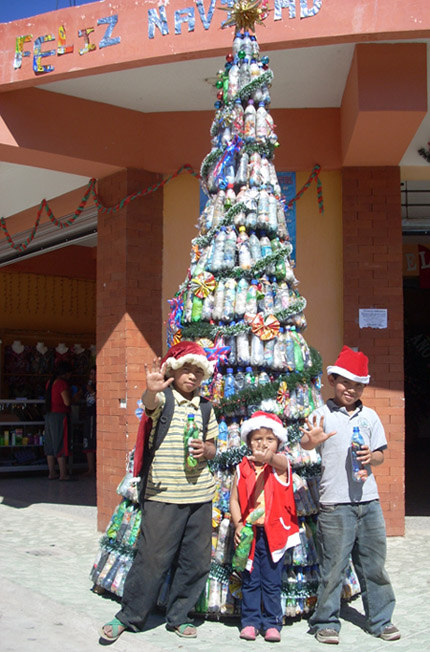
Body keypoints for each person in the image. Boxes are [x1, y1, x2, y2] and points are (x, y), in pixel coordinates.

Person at [99, 341, 218, 644]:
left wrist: (207, 449)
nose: (191, 377)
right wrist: (152, 389)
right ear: (174, 372)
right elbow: (149, 406)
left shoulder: (205, 408)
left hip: (199, 496)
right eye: (185, 370)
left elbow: (214, 447)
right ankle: (130, 615)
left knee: (196, 560)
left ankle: (179, 616)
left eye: (197, 373)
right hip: (163, 494)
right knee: (151, 558)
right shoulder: (164, 400)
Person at [300, 346, 400, 645]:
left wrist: (373, 457)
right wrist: (310, 440)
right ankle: (326, 622)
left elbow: (381, 454)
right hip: (335, 505)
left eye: (357, 384)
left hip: (368, 502)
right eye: (345, 381)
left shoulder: (370, 417)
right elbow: (306, 443)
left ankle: (381, 620)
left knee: (373, 566)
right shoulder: (321, 415)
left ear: (364, 387)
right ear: (333, 380)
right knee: (333, 567)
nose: (350, 388)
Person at [229, 411, 300, 643]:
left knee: (271, 581)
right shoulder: (241, 468)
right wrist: (238, 525)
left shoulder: (280, 466)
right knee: (250, 579)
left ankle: (272, 623)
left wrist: (269, 457)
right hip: (250, 534)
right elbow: (234, 500)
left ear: (278, 443)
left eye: (269, 439)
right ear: (248, 441)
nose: (263, 444)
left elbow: (281, 461)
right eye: (257, 439)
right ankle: (249, 622)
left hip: (273, 534)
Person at [44, 361, 73, 481]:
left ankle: (52, 472)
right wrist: (75, 396)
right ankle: (63, 474)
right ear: (66, 373)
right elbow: (67, 402)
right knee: (60, 442)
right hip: (60, 415)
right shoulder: (61, 384)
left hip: (49, 414)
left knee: (50, 444)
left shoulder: (50, 382)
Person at [82, 366, 96, 476]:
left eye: (93, 374)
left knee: (92, 441)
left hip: (95, 416)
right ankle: (90, 468)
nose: (91, 376)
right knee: (87, 441)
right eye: (90, 374)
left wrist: (92, 391)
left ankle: (93, 469)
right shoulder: (87, 387)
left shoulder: (98, 387)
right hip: (88, 416)